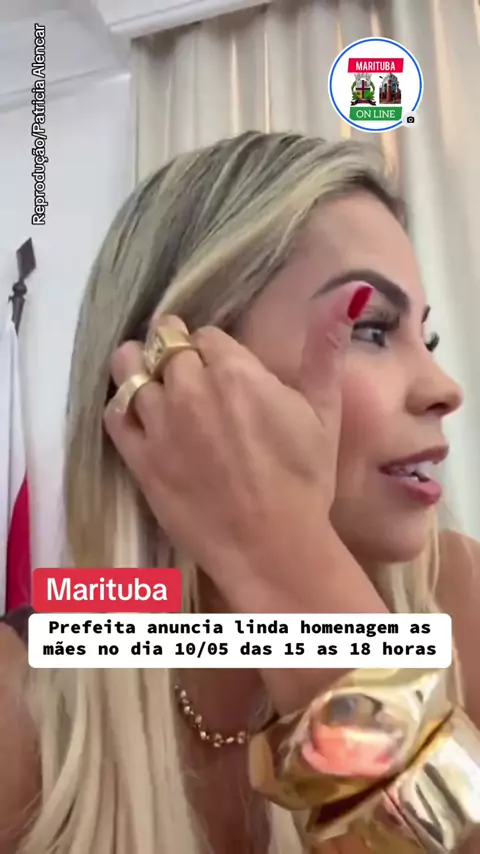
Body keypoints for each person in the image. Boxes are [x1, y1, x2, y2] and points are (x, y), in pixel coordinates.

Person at [1, 130, 480, 854]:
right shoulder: (26, 696)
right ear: (178, 374)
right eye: (373, 329)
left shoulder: (459, 597)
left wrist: (289, 565)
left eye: (427, 338)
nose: (444, 389)